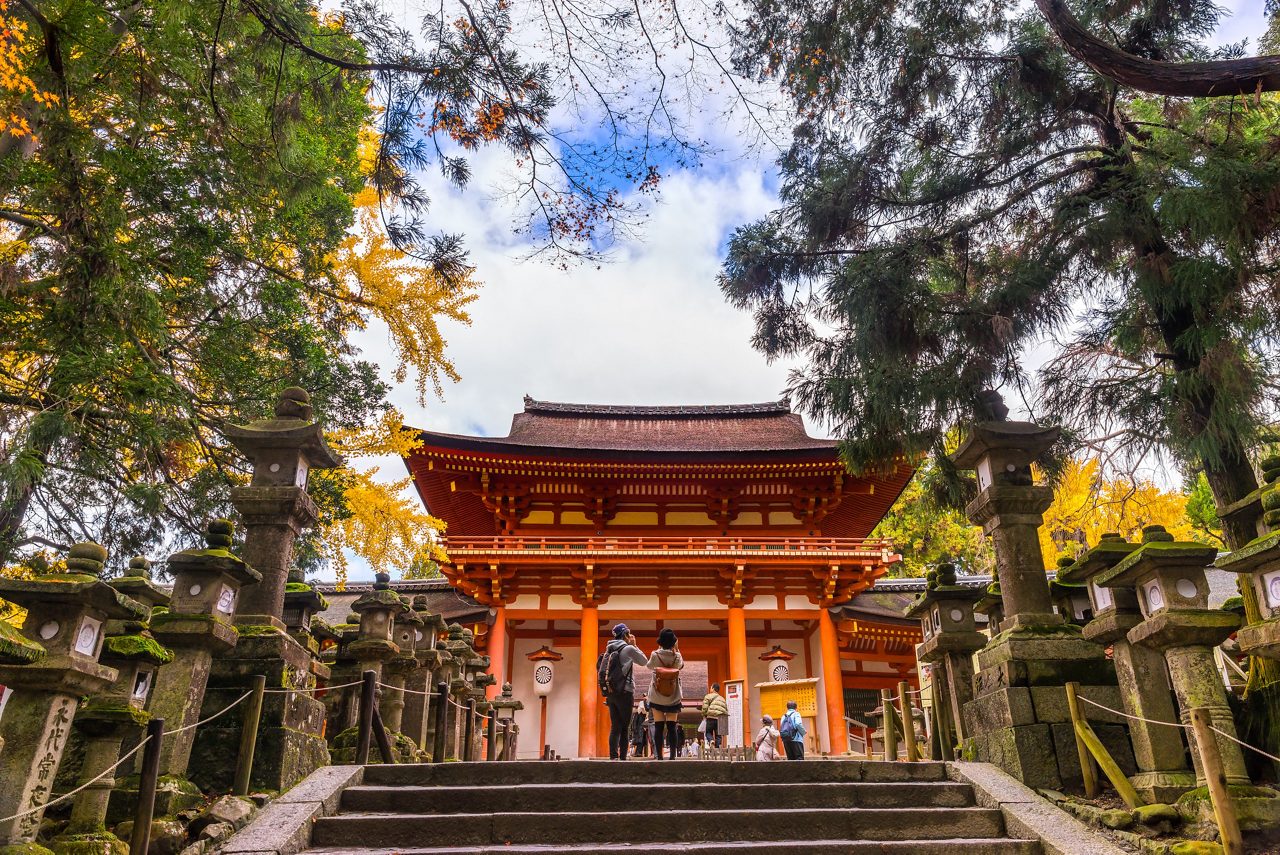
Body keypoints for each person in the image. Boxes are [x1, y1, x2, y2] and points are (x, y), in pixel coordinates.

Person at [598, 623, 648, 760]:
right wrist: (635, 645)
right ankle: (623, 759)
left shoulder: (609, 649)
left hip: (611, 692)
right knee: (625, 727)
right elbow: (644, 661)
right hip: (625, 691)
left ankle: (613, 757)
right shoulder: (628, 649)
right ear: (626, 634)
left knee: (615, 727)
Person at [646, 627, 684, 759]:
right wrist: (677, 649)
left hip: (657, 695)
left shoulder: (655, 655)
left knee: (658, 726)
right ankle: (673, 756)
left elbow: (649, 666)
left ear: (660, 642)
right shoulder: (677, 656)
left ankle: (660, 757)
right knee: (672, 726)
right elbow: (681, 666)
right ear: (673, 642)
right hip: (673, 695)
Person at [699, 683, 728, 748]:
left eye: (711, 687)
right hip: (720, 719)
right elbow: (725, 709)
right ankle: (718, 750)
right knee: (718, 735)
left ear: (713, 688)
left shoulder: (708, 696)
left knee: (708, 732)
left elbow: (705, 707)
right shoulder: (722, 699)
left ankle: (711, 740)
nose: (710, 689)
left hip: (711, 717)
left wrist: (704, 715)